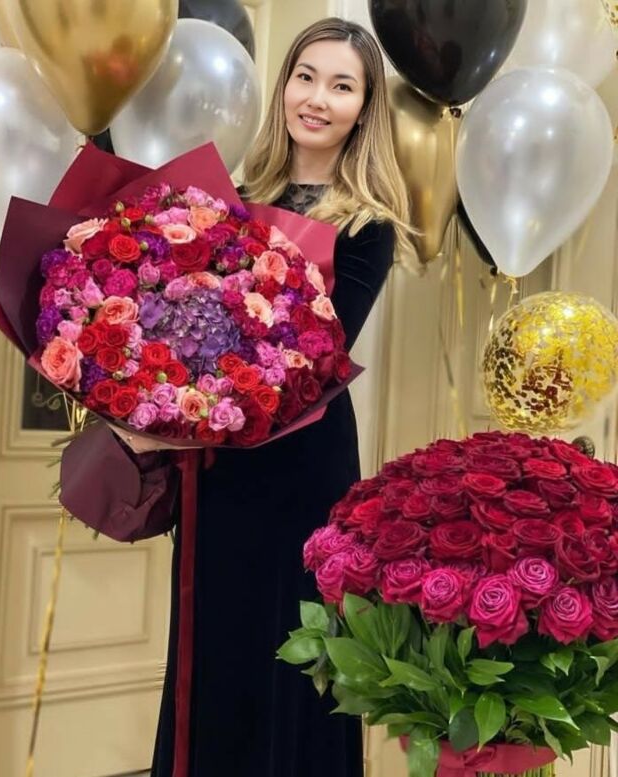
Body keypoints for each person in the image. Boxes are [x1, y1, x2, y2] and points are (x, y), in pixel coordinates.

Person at [63, 16, 413, 777]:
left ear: (364, 109)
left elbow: (319, 351)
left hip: (302, 467)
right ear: (283, 86)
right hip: (217, 459)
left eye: (342, 86)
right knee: (213, 646)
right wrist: (148, 394)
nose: (317, 98)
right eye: (305, 77)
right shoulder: (232, 198)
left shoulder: (367, 224)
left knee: (295, 656)